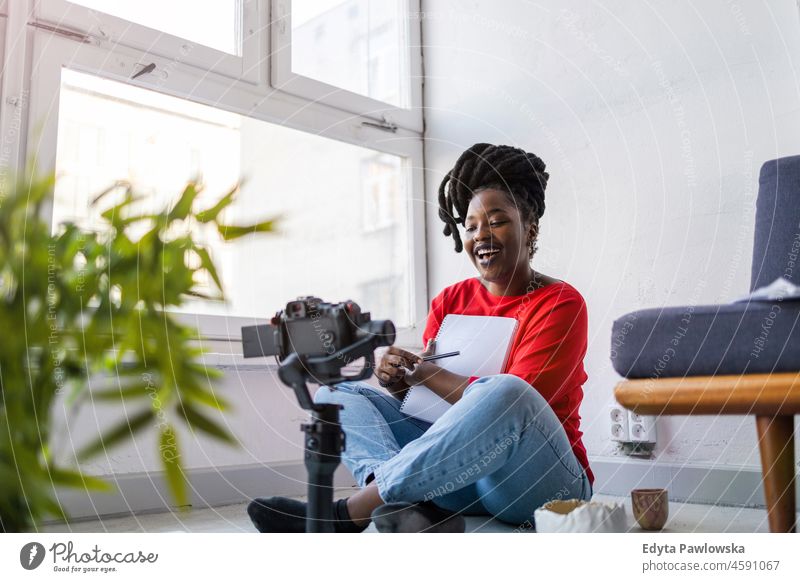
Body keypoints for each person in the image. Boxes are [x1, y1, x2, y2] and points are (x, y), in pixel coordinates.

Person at [248, 143, 594, 533]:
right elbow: (432, 409)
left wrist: (425, 374)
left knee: (507, 392)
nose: (481, 234)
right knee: (337, 395)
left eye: (496, 221)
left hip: (532, 482)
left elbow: (517, 410)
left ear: (529, 227)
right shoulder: (451, 300)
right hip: (457, 477)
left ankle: (350, 512)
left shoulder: (560, 303)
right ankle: (410, 508)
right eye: (471, 225)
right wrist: (400, 382)